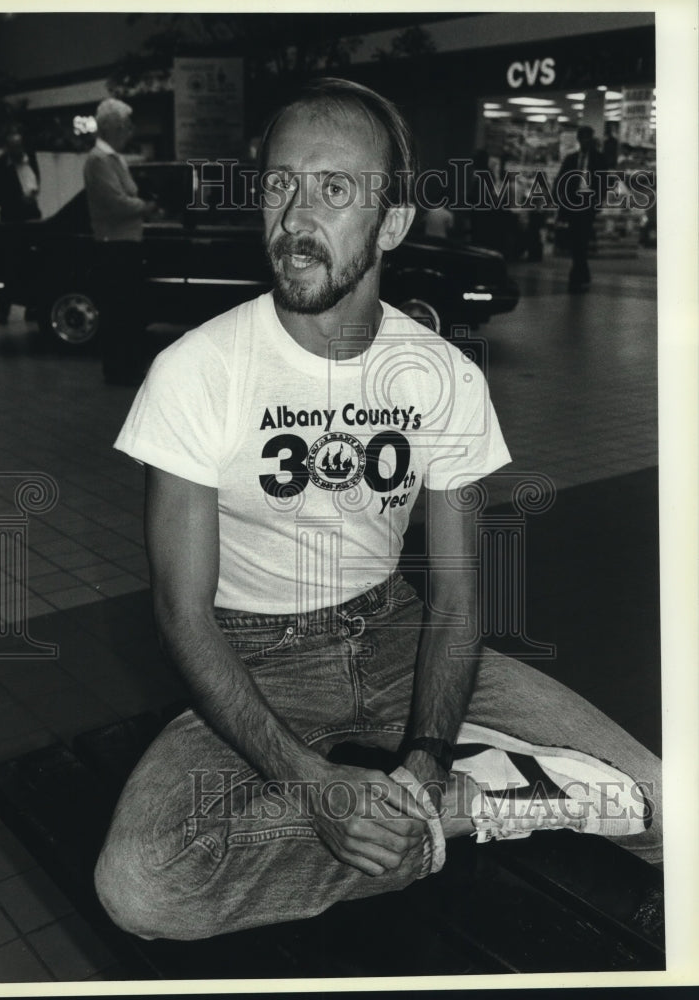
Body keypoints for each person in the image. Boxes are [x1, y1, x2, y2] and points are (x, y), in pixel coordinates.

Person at [94, 79, 661, 942]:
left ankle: (461, 796)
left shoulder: (442, 375)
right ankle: (468, 812)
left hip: (395, 635)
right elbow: (182, 614)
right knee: (142, 886)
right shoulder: (195, 372)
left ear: (392, 223)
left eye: (333, 189)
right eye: (280, 185)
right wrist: (315, 789)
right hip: (255, 655)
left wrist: (428, 757)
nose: (295, 218)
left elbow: (459, 600)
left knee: (661, 801)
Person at [83, 98, 157, 385]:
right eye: (126, 126)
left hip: (125, 242)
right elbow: (115, 203)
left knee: (128, 308)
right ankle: (118, 369)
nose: (130, 131)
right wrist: (145, 207)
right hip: (113, 244)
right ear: (113, 127)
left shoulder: (113, 158)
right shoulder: (99, 160)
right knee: (118, 309)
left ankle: (128, 366)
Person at [0, 128, 41, 324]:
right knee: (11, 265)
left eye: (19, 146)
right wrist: (18, 200)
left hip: (31, 216)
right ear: (7, 148)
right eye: (13, 147)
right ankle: (4, 307)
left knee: (32, 264)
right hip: (12, 220)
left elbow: (35, 180)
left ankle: (31, 307)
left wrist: (32, 195)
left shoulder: (30, 160)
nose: (18, 150)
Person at [553, 125, 607, 292]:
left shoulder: (599, 159)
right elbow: (560, 178)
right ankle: (582, 272)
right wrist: (558, 197)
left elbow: (604, 182)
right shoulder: (571, 159)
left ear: (591, 140)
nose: (585, 142)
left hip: (588, 202)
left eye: (588, 138)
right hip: (572, 202)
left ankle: (577, 273)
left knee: (582, 238)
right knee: (575, 238)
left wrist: (599, 201)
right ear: (579, 140)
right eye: (582, 138)